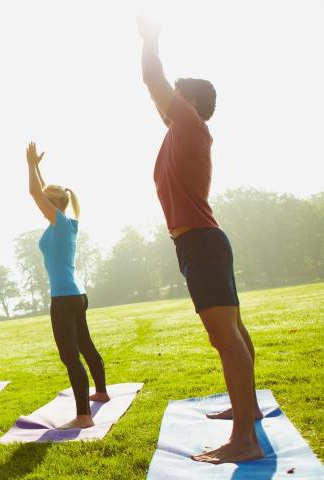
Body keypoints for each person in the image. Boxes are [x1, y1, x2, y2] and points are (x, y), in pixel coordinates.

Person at [138, 17, 263, 464]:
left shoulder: (188, 122)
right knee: (234, 332)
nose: (163, 101)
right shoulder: (180, 130)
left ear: (188, 101)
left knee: (224, 337)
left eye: (174, 93)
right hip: (203, 243)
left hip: (203, 244)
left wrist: (149, 38)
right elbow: (157, 91)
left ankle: (244, 437)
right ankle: (246, 411)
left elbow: (153, 79)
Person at [25, 142, 108, 430]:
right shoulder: (65, 221)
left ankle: (84, 415)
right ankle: (101, 391)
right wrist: (37, 167)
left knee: (69, 355)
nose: (40, 205)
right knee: (84, 344)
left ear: (53, 205)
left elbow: (37, 192)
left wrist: (28, 164)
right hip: (77, 294)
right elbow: (46, 191)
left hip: (63, 297)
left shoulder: (59, 222)